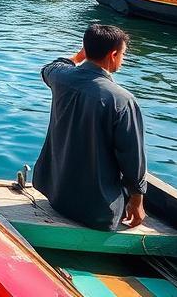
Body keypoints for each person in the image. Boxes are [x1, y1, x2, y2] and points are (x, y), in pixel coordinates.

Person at [34, 24, 146, 231]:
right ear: (113, 55)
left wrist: (78, 57)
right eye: (123, 54)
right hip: (98, 212)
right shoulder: (122, 100)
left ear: (85, 50)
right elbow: (132, 159)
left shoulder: (60, 78)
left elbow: (50, 66)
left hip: (56, 196)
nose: (123, 58)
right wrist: (137, 202)